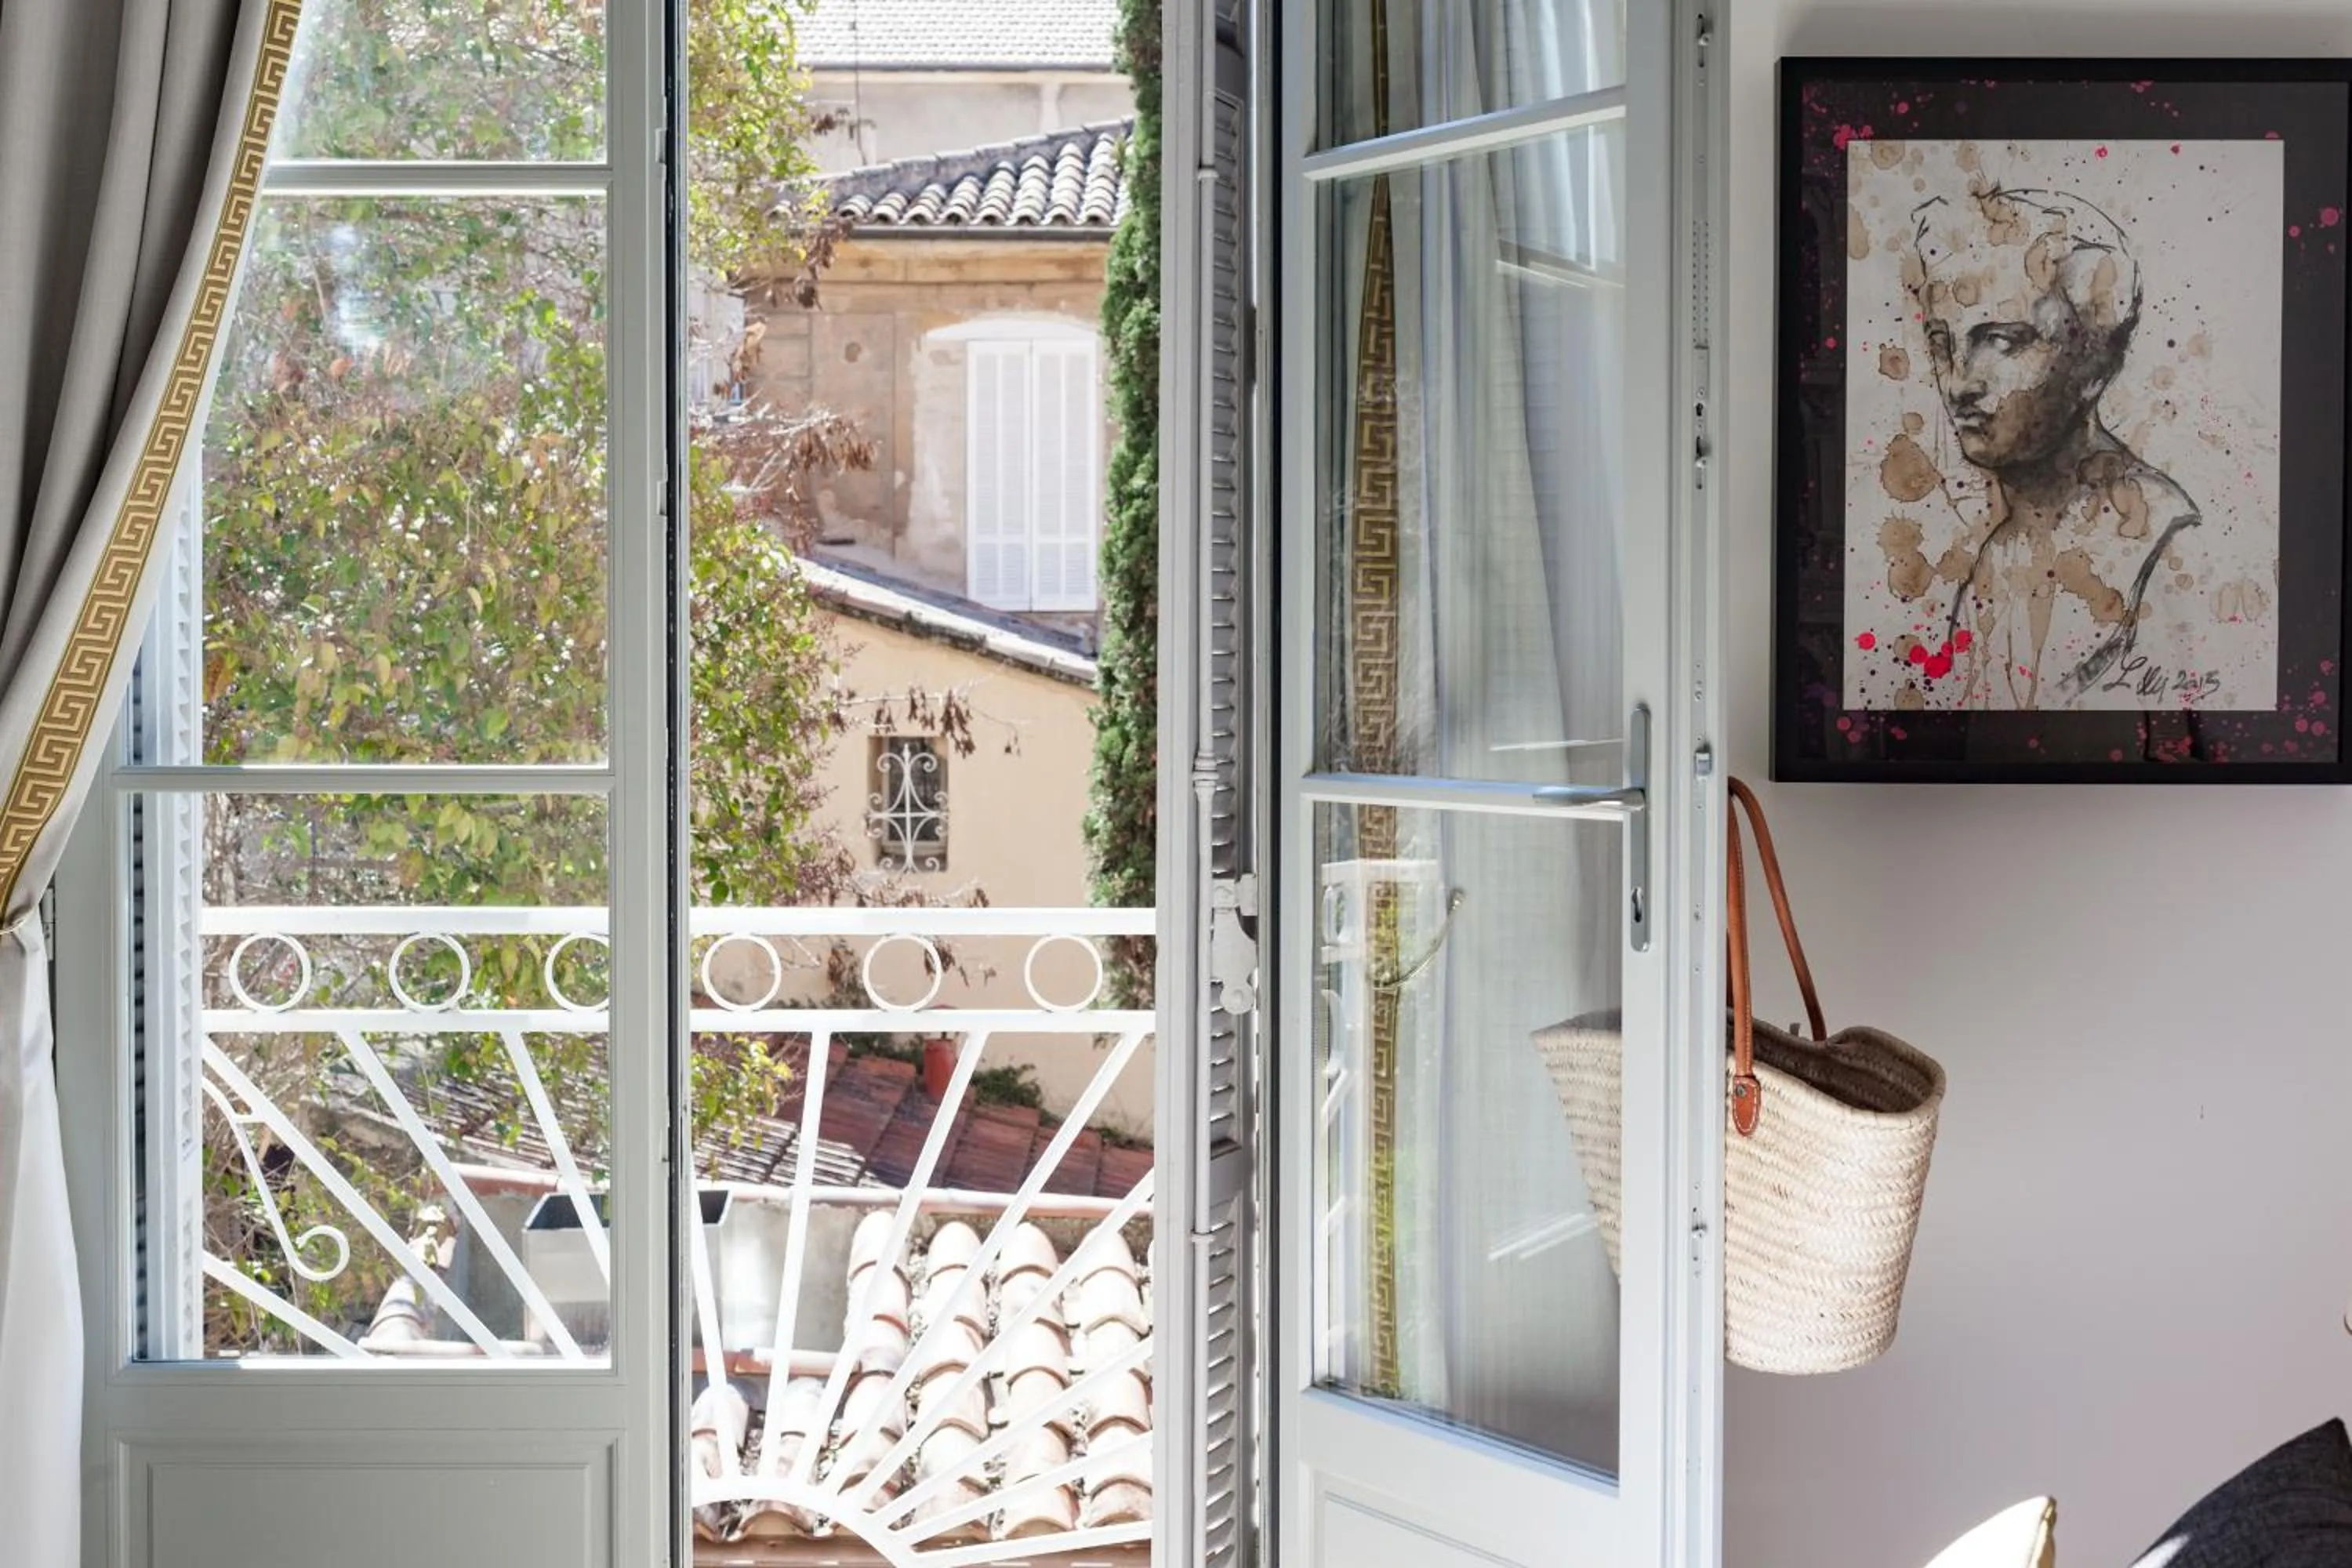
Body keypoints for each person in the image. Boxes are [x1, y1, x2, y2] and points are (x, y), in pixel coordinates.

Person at [1900, 186, 2216, 710]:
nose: (1959, 384)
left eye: (1999, 341)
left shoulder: (2171, 545)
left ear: (2094, 365)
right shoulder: (1992, 560)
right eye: (1941, 342)